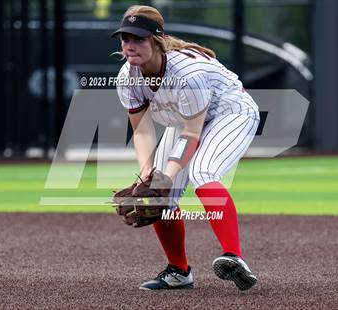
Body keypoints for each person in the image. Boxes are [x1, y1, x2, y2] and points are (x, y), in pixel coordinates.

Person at [111, 5, 260, 291]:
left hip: (230, 112)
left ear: (156, 41)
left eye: (138, 39)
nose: (130, 45)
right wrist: (148, 175)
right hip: (185, 121)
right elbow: (142, 131)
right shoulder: (127, 77)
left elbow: (193, 133)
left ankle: (234, 257)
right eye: (125, 38)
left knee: (203, 172)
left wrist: (167, 175)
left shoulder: (187, 74)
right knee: (157, 194)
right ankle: (179, 271)